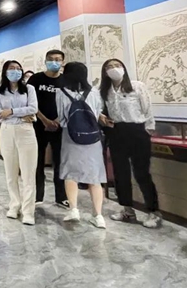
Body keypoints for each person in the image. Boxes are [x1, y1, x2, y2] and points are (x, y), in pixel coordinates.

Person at [99, 59, 161, 228]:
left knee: (142, 173)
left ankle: (153, 211)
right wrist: (101, 117)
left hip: (137, 131)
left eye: (117, 65)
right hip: (117, 132)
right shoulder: (104, 90)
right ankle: (127, 210)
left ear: (123, 68)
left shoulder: (137, 86)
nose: (114, 69)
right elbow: (98, 109)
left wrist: (149, 129)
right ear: (105, 72)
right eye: (109, 67)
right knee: (121, 173)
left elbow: (147, 108)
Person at [56, 62, 107, 228]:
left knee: (71, 174)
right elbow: (97, 113)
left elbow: (62, 117)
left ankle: (74, 210)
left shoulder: (61, 92)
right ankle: (98, 216)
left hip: (70, 136)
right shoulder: (94, 92)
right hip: (92, 137)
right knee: (94, 175)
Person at [0, 60, 39, 226]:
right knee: (10, 172)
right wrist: (20, 113)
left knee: (28, 173)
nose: (16, 71)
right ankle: (14, 205)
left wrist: (12, 111)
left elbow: (33, 109)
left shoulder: (29, 89)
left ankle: (28, 211)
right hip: (7, 131)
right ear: (5, 72)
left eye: (18, 68)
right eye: (12, 68)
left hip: (25, 130)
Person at [26, 50, 69, 208]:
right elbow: (30, 102)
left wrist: (56, 120)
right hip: (38, 126)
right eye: (50, 59)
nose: (54, 62)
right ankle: (38, 196)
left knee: (60, 162)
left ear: (63, 62)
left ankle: (61, 196)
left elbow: (69, 103)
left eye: (58, 59)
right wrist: (45, 120)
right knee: (37, 161)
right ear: (45, 61)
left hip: (60, 127)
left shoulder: (66, 80)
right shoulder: (36, 79)